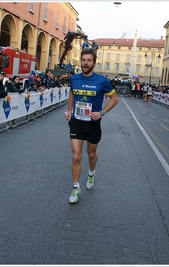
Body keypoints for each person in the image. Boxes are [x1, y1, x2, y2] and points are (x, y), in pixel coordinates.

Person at [64, 47, 119, 204]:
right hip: (76, 122)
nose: (85, 63)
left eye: (89, 60)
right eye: (83, 60)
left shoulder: (102, 81)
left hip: (93, 123)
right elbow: (72, 93)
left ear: (94, 63)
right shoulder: (74, 78)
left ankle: (91, 173)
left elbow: (115, 99)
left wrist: (101, 112)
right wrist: (69, 110)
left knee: (91, 154)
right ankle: (76, 188)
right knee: (76, 156)